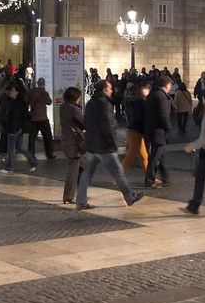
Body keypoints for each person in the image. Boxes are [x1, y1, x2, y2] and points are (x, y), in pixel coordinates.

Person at [76, 80, 143, 210]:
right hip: (104, 146)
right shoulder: (105, 104)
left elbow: (86, 122)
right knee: (117, 172)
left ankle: (81, 201)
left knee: (87, 174)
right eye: (110, 88)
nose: (112, 90)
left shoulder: (90, 103)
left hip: (91, 145)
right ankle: (130, 197)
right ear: (104, 90)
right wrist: (113, 143)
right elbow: (109, 125)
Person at [0, 83, 38, 173]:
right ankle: (33, 162)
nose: (10, 92)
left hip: (14, 128)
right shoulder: (19, 102)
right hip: (19, 127)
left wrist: (11, 127)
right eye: (10, 91)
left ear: (17, 92)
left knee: (11, 148)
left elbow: (13, 116)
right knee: (19, 146)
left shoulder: (15, 103)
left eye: (12, 91)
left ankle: (10, 166)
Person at [144, 75, 173, 189]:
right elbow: (163, 115)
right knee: (156, 156)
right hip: (158, 131)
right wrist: (168, 128)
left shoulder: (153, 94)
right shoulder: (161, 96)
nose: (171, 86)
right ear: (166, 85)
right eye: (170, 84)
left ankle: (166, 178)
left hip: (152, 129)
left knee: (159, 155)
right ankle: (149, 180)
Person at [60, 87, 85, 204]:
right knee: (74, 169)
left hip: (67, 140)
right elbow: (84, 123)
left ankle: (81, 193)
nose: (80, 99)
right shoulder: (74, 110)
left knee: (81, 168)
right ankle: (69, 196)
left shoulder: (63, 107)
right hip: (74, 143)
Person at [122, 81, 150, 180]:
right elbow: (139, 118)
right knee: (131, 155)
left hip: (134, 130)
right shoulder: (139, 103)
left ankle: (150, 176)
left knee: (144, 155)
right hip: (136, 131)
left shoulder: (133, 102)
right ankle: (118, 177)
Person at [27, 78, 56, 160]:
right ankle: (49, 154)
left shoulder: (31, 92)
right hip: (43, 118)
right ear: (44, 84)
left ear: (37, 83)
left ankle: (31, 154)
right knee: (47, 137)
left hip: (33, 118)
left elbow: (27, 102)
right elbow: (49, 102)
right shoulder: (44, 93)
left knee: (32, 138)